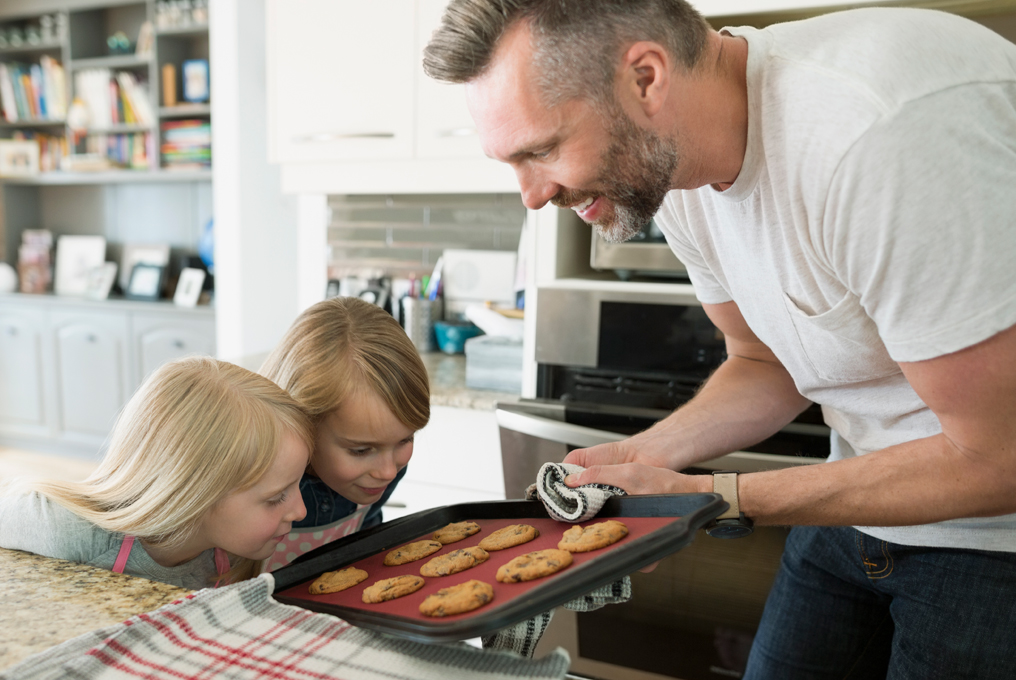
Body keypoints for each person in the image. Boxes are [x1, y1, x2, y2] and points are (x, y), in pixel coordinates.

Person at [423, 1, 1016, 678]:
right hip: (857, 505)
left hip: (995, 535)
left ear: (646, 79)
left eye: (543, 149)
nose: (530, 195)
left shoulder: (878, 134)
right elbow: (764, 360)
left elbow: (998, 457)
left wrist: (714, 497)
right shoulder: (674, 166)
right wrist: (641, 459)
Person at [0, 356, 314, 589]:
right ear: (194, 492)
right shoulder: (69, 531)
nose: (300, 511)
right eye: (276, 498)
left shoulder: (230, 551)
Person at [259, 296, 430, 570]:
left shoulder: (376, 475)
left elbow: (366, 540)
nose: (388, 472)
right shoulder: (252, 486)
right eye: (361, 451)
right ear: (303, 424)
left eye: (405, 440)